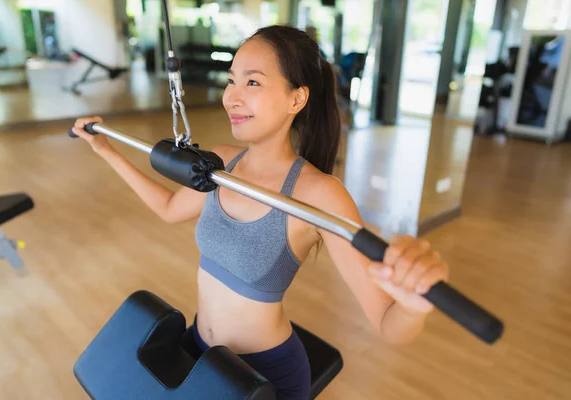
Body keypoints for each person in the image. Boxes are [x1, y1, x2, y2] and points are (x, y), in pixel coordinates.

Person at [71, 24, 449, 400]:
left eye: (252, 83)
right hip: (198, 351)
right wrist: (106, 150)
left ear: (296, 99)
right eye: (232, 80)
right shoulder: (222, 166)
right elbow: (171, 208)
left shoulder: (317, 195)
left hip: (263, 377)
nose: (232, 97)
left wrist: (412, 304)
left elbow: (388, 324)